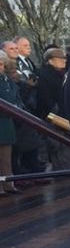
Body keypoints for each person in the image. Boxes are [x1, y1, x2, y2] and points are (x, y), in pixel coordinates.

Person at [35, 47, 70, 170]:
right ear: (50, 60)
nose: (64, 61)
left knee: (67, 145)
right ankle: (62, 170)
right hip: (54, 116)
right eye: (60, 58)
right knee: (58, 145)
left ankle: (65, 168)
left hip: (65, 114)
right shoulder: (45, 75)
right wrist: (54, 111)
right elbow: (45, 97)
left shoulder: (64, 74)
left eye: (64, 58)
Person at [0, 59, 20, 194]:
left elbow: (15, 96)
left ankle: (8, 185)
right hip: (3, 119)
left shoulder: (6, 79)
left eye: (1, 64)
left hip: (6, 123)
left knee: (6, 158)